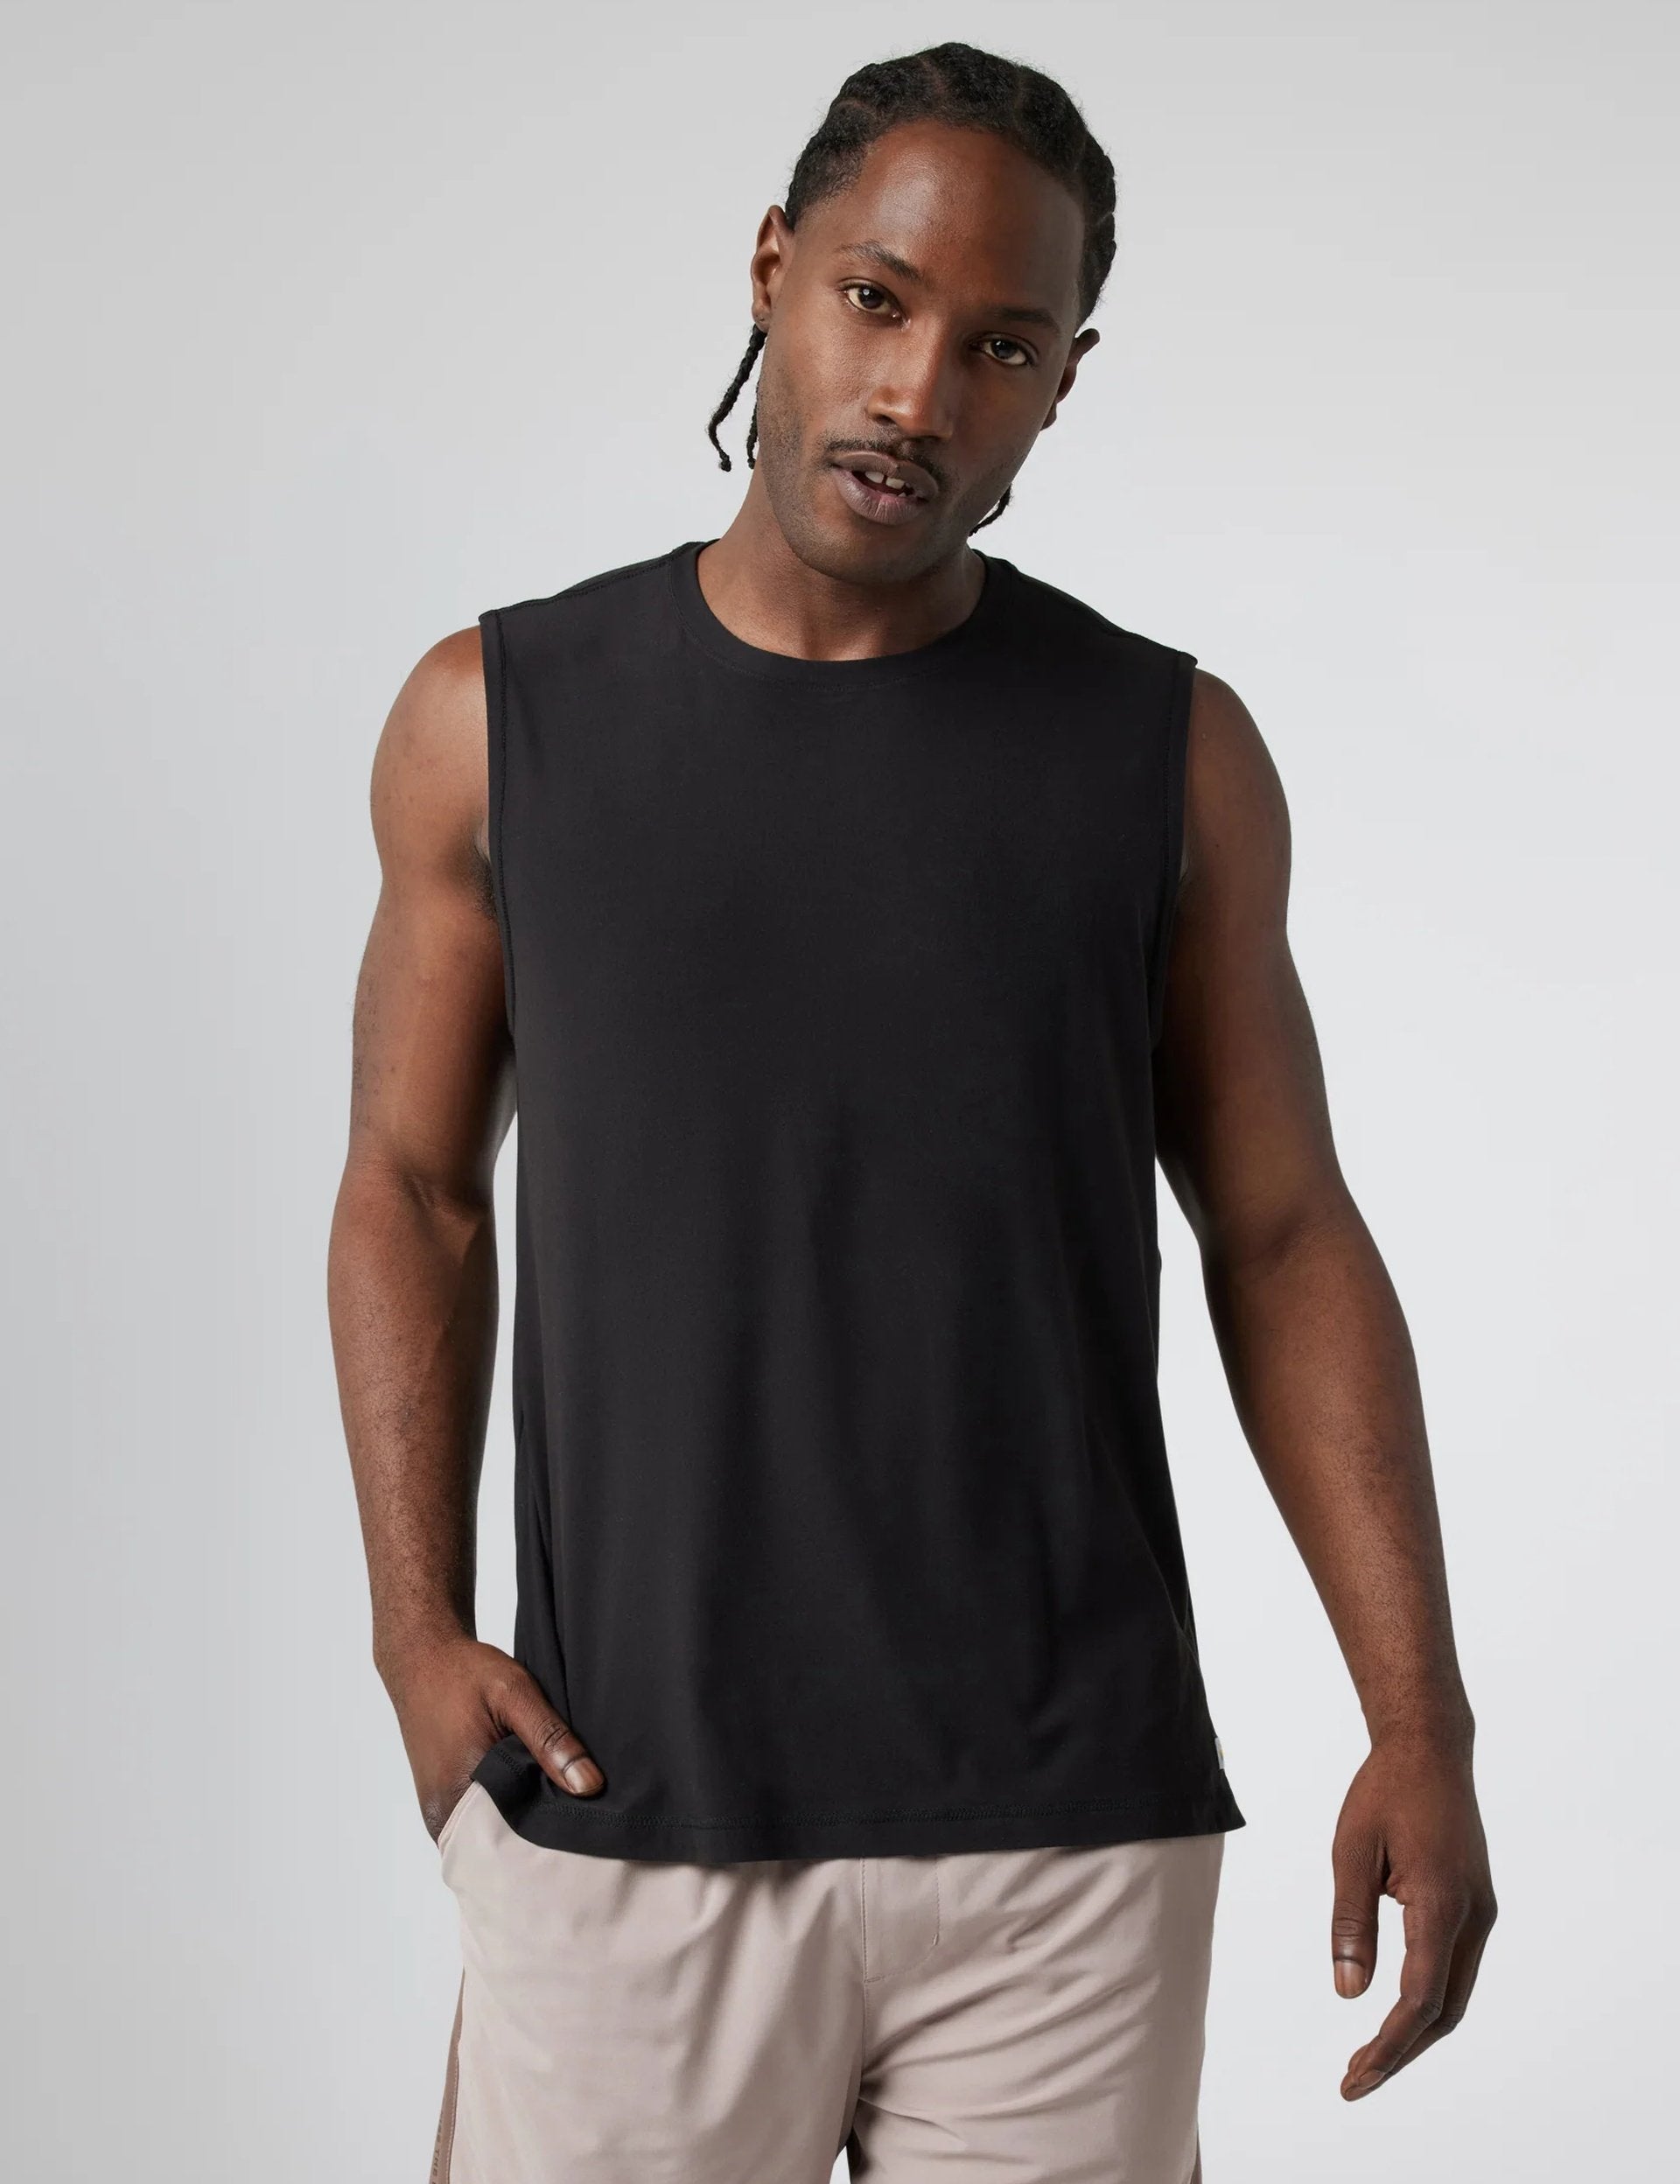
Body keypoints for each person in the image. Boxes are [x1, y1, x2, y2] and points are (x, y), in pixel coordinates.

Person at [327, 40, 1496, 2184]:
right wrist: (416, 1635)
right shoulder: (497, 722)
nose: (917, 390)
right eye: (876, 299)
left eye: (1001, 346)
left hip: (1068, 1845)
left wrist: (1420, 1717)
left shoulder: (1169, 755)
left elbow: (1284, 1234)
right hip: (626, 1807)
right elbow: (413, 1188)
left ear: (1062, 385)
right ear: (775, 269)